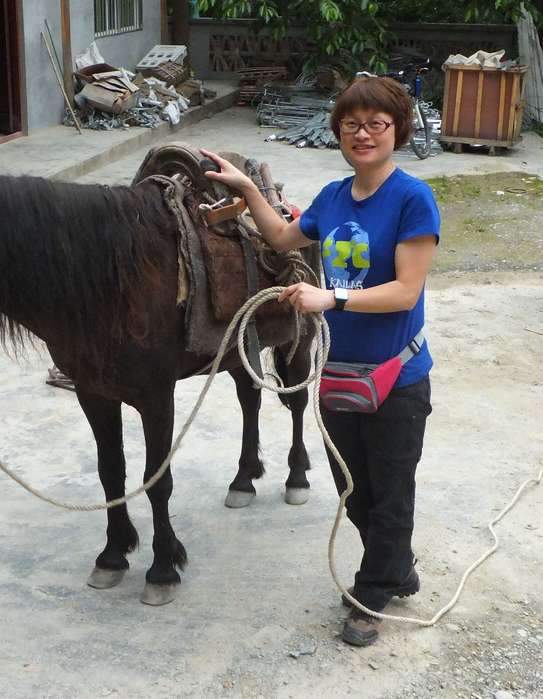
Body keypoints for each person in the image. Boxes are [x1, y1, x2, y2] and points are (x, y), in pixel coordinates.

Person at [200, 74, 440, 647]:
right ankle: (396, 567)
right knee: (354, 491)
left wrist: (330, 298)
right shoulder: (333, 197)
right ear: (338, 132)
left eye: (376, 123)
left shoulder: (413, 199)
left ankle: (371, 595)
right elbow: (283, 239)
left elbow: (405, 291)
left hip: (396, 377)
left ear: (398, 130)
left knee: (390, 493)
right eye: (351, 124)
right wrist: (248, 188)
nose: (363, 134)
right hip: (337, 374)